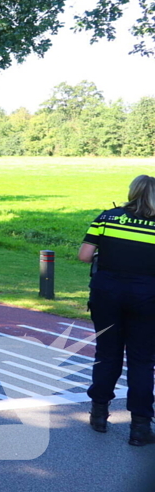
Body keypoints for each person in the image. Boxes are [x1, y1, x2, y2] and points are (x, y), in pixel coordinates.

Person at [78, 175, 155, 447]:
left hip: (106, 292)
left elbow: (85, 255)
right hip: (147, 296)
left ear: (132, 192)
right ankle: (140, 426)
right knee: (142, 360)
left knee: (107, 353)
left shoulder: (107, 217)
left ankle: (99, 414)